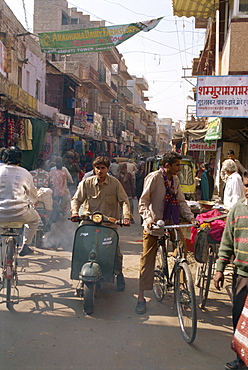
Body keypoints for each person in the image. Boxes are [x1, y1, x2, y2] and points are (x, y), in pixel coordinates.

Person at [136, 151, 198, 314]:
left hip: (171, 222)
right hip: (154, 224)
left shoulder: (175, 180)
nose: (179, 168)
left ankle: (183, 288)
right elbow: (143, 201)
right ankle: (141, 296)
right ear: (167, 166)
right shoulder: (154, 178)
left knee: (182, 252)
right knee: (147, 259)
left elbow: (181, 202)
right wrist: (148, 219)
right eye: (177, 165)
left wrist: (191, 218)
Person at [70, 156, 131, 291]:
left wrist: (126, 217)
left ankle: (119, 273)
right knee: (80, 246)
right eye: (97, 168)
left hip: (108, 224)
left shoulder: (115, 183)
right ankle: (79, 272)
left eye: (103, 168)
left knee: (115, 251)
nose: (100, 171)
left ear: (108, 169)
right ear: (94, 168)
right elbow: (76, 199)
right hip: (88, 222)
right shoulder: (86, 183)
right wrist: (75, 212)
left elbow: (124, 201)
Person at [214, 170, 248, 370]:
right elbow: (226, 243)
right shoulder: (237, 210)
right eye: (246, 185)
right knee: (238, 318)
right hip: (242, 275)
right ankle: (240, 358)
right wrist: (219, 269)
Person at [0, 146, 40, 256]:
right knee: (35, 220)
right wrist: (34, 201)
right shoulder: (25, 173)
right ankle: (26, 245)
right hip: (20, 213)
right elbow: (32, 195)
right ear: (19, 159)